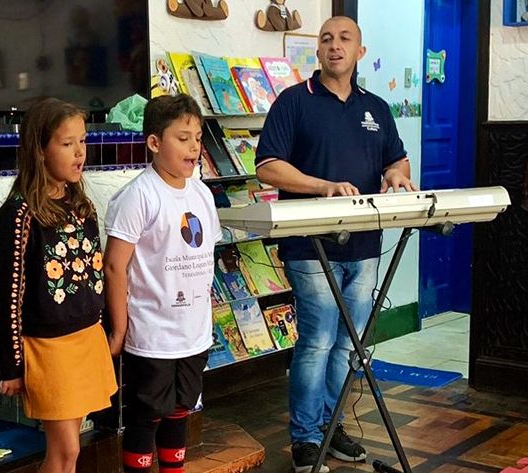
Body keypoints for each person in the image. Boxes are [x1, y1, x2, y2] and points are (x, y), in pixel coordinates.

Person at [254, 16, 416, 472]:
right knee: (318, 339)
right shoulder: (293, 102)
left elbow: (396, 157)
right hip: (309, 247)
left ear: (359, 52)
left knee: (348, 344)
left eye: (345, 39)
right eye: (326, 39)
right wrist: (322, 186)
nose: (334, 46)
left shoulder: (377, 108)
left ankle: (331, 426)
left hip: (365, 245)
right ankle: (305, 438)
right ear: (318, 51)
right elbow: (268, 166)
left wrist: (397, 174)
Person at [0, 98, 117, 473]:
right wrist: (12, 365)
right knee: (64, 453)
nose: (79, 153)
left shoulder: (82, 205)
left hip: (87, 338)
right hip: (49, 349)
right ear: (39, 150)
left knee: (71, 451)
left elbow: (94, 273)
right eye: (67, 144)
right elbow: (7, 295)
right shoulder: (19, 215)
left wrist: (108, 329)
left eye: (82, 141)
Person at [104, 93, 221, 473]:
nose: (194, 146)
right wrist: (119, 328)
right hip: (152, 335)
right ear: (154, 143)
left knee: (181, 409)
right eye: (183, 137)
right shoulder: (139, 196)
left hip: (193, 334)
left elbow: (204, 258)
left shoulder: (201, 193)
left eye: (198, 138)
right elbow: (114, 267)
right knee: (146, 412)